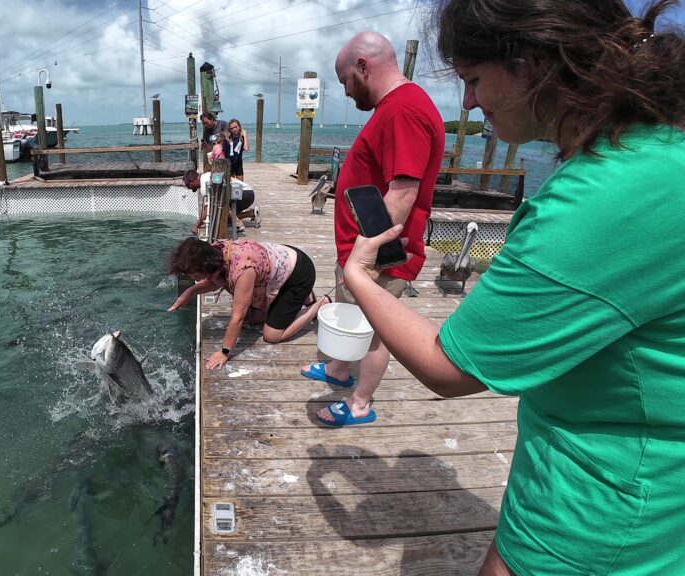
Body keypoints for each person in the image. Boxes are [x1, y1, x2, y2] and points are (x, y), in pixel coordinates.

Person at [341, 1, 685, 573]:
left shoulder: (600, 198)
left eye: (474, 80)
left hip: (604, 508)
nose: (469, 103)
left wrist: (358, 277)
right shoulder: (657, 151)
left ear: (531, 64)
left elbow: (448, 366)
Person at [300, 31, 444, 427]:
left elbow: (403, 191)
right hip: (360, 252)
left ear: (364, 67)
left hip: (379, 258)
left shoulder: (403, 110)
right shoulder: (394, 107)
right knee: (353, 317)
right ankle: (339, 371)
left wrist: (368, 262)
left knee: (377, 329)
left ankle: (361, 403)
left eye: (346, 80)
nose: (346, 92)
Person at [168, 237, 329, 369]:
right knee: (255, 319)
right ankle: (300, 297)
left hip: (298, 274)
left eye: (195, 274)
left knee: (272, 335)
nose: (195, 279)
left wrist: (225, 352)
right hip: (282, 261)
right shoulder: (215, 254)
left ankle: (319, 304)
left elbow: (237, 317)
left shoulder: (243, 270)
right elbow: (214, 281)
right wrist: (189, 292)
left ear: (205, 266)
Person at [183, 162, 260, 236]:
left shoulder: (204, 185)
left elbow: (207, 209)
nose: (188, 188)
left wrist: (196, 226)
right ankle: (251, 213)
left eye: (188, 185)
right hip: (248, 193)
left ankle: (238, 224)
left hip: (243, 193)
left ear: (193, 181)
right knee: (222, 217)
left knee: (221, 210)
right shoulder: (206, 175)